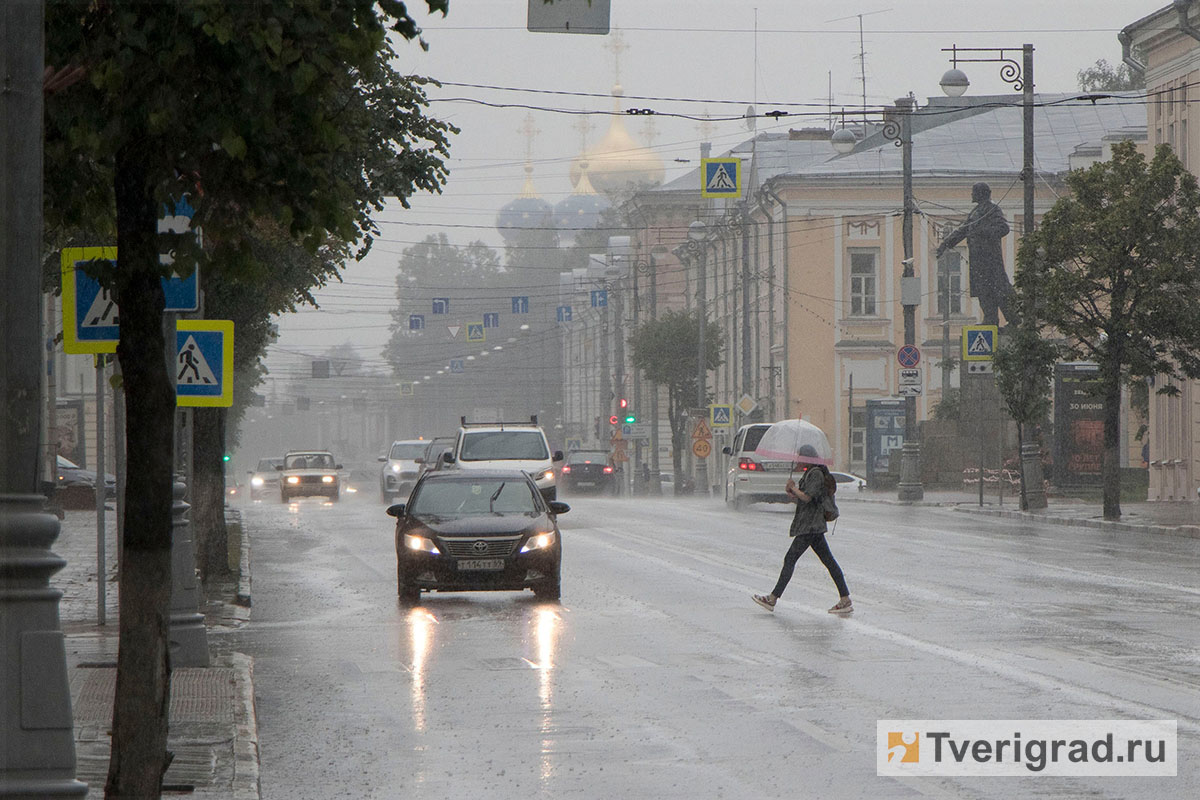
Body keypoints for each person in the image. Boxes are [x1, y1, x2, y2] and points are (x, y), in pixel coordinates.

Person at [752, 445, 852, 614]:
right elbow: (804, 499)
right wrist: (792, 492)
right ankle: (845, 599)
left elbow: (807, 497)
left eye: (800, 456)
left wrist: (794, 489)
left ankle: (772, 598)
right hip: (812, 526)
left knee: (790, 559)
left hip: (810, 526)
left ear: (807, 457)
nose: (797, 460)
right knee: (829, 562)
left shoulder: (816, 474)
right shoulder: (810, 472)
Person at [935, 181, 1015, 327]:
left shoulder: (992, 209)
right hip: (978, 258)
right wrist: (944, 245)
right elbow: (963, 230)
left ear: (981, 193)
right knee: (983, 289)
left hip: (990, 258)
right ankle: (990, 319)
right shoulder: (975, 212)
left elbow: (1003, 228)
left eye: (974, 191)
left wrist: (983, 231)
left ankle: (1014, 318)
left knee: (999, 288)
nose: (971, 194)